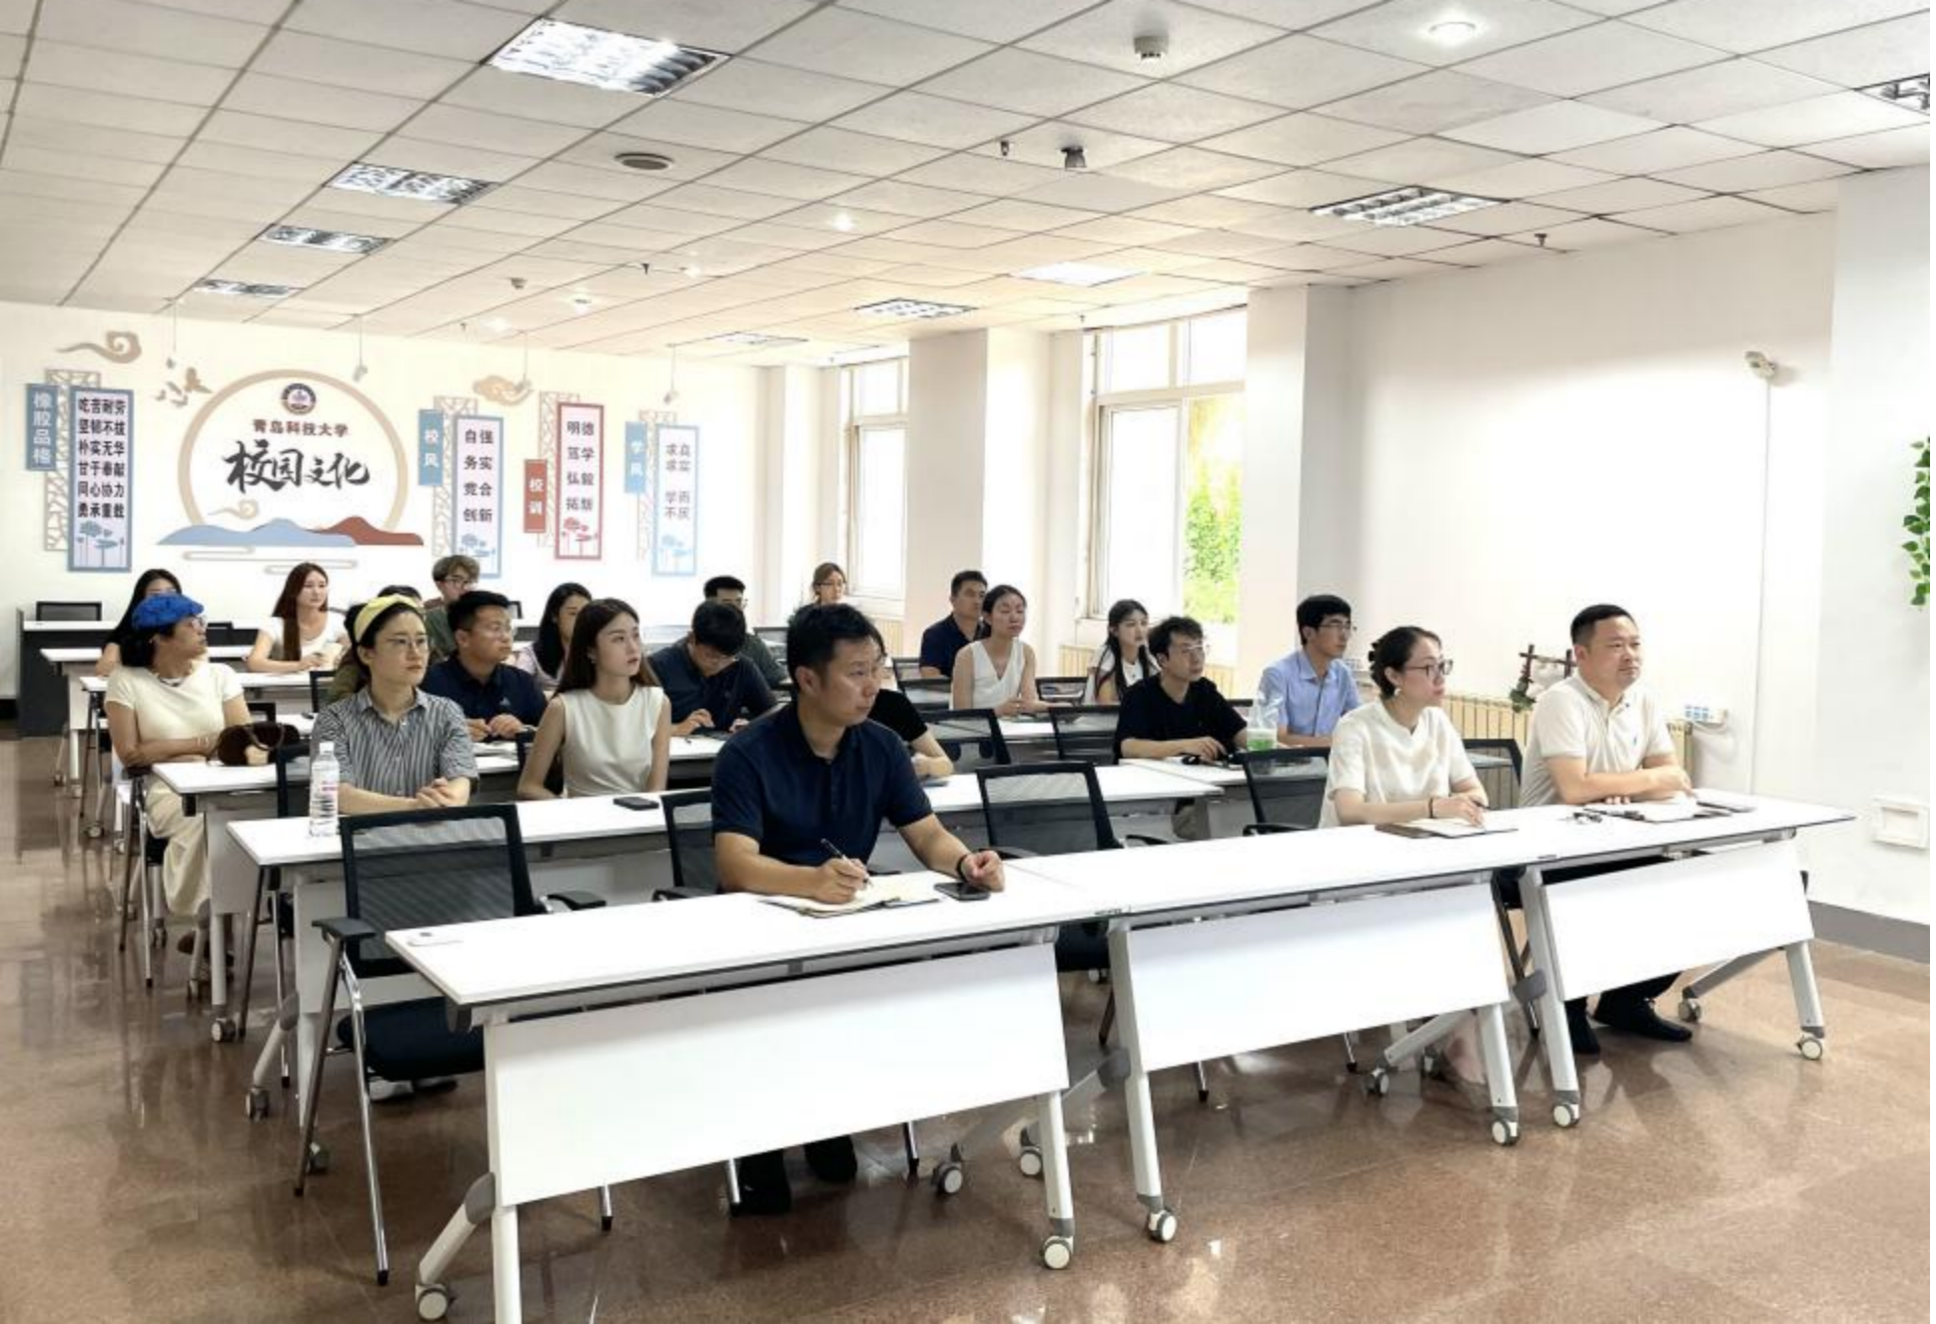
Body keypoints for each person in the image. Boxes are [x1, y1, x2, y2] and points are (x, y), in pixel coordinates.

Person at [711, 603, 1004, 1215]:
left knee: (855, 1010)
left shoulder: (882, 746)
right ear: (807, 679)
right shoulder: (749, 752)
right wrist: (808, 882)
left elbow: (926, 835)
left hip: (843, 920)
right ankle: (758, 1145)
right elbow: (735, 864)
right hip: (758, 927)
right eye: (856, 672)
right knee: (774, 1022)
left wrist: (966, 864)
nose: (873, 686)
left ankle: (825, 1118)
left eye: (877, 669)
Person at [1319, 625, 1492, 1103]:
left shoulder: (1438, 723)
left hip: (1422, 861)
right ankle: (1449, 1041)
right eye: (1427, 668)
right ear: (1394, 676)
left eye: (1443, 666)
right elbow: (1350, 810)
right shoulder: (1357, 726)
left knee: (1467, 919)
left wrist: (1452, 806)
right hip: (1357, 868)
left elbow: (1474, 791)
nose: (1440, 677)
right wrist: (1433, 807)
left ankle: (1452, 1038)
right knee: (1436, 924)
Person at [1519, 604, 1695, 1053]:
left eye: (1635, 644)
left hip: (1620, 836)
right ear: (1581, 654)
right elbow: (1574, 788)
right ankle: (1567, 1005)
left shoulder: (1644, 700)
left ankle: (1626, 1000)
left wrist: (1619, 786)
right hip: (1552, 847)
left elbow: (1674, 779)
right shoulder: (1560, 700)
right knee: (1589, 892)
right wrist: (1637, 783)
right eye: (1616, 646)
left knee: (1685, 890)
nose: (1630, 655)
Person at [104, 593, 250, 919]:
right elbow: (131, 755)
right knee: (204, 821)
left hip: (225, 781)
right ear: (160, 637)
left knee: (250, 816)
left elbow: (242, 740)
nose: (202, 628)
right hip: (166, 790)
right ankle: (206, 918)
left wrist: (162, 749)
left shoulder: (220, 675)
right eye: (190, 624)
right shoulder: (125, 680)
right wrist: (204, 744)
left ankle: (224, 919)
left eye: (201, 621)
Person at [312, 595, 476, 818]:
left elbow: (461, 781)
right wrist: (414, 807)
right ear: (366, 653)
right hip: (362, 836)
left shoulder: (447, 712)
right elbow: (337, 794)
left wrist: (447, 798)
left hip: (433, 834)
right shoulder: (334, 719)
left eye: (421, 641)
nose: (415, 652)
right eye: (400, 642)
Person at [518, 598, 671, 800]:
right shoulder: (563, 707)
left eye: (635, 635)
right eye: (619, 639)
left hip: (640, 813)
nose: (633, 648)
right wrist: (570, 812)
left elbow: (657, 789)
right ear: (590, 650)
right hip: (581, 815)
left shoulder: (657, 702)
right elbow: (528, 786)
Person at [1114, 615, 1245, 761]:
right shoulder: (1140, 694)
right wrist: (1184, 746)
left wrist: (1261, 743)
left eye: (1199, 648)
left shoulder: (1205, 690)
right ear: (1163, 659)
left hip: (1200, 773)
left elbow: (1239, 732)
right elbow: (1128, 747)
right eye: (1186, 650)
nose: (1197, 659)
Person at [420, 589, 547, 740]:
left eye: (508, 628)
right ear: (462, 638)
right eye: (495, 628)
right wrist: (447, 734)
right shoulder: (428, 684)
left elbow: (552, 735)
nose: (506, 637)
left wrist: (523, 730)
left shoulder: (522, 682)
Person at [649, 601, 778, 737]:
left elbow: (775, 717)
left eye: (727, 658)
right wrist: (676, 729)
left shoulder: (741, 667)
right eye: (711, 656)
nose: (719, 664)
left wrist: (753, 727)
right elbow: (636, 728)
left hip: (723, 749)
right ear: (692, 638)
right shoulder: (658, 666)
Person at [1257, 593, 1360, 748]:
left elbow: (1359, 726)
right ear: (1308, 633)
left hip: (1331, 759)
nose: (1344, 635)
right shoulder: (1277, 674)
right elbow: (1276, 738)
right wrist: (1337, 743)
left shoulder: (1343, 673)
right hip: (1288, 761)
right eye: (1335, 626)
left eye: (1347, 626)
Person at [950, 584, 1050, 716]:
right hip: (972, 727)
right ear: (987, 617)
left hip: (1009, 726)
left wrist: (1059, 708)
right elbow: (961, 713)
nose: (1014, 618)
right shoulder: (967, 655)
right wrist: (997, 711)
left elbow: (1029, 702)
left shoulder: (1026, 652)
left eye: (1020, 611)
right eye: (1005, 611)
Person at [246, 561, 349, 675]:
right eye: (308, 586)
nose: (316, 592)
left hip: (324, 685)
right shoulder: (274, 624)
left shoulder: (337, 621)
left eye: (322, 586)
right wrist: (298, 665)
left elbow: (351, 658)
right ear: (293, 590)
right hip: (286, 686)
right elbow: (254, 663)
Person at [866, 652, 954, 781]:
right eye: (858, 672)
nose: (869, 681)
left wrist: (926, 765)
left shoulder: (893, 703)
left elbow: (946, 765)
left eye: (875, 668)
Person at [326, 586, 422, 704]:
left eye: (421, 613)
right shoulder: (363, 652)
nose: (418, 619)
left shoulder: (427, 649)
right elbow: (337, 697)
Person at [96, 568, 182, 676]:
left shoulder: (189, 629)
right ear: (141, 600)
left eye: (171, 593)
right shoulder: (122, 638)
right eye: (155, 595)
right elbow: (103, 671)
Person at [704, 575, 784, 687]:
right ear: (709, 606)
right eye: (727, 603)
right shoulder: (695, 645)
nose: (736, 609)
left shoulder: (752, 644)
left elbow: (777, 676)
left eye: (739, 602)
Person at [512, 582, 590, 689]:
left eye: (585, 613)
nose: (581, 620)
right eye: (573, 614)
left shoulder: (597, 651)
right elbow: (517, 688)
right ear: (554, 616)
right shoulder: (532, 653)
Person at [917, 569, 987, 679]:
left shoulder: (991, 634)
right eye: (970, 594)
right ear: (953, 599)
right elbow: (930, 676)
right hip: (949, 690)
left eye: (982, 596)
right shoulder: (934, 635)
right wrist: (963, 687)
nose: (978, 601)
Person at [1085, 598, 1156, 705]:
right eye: (1131, 624)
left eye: (1144, 623)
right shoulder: (1105, 656)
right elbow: (1106, 705)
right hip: (1106, 715)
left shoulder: (1147, 654)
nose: (1140, 630)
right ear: (1114, 630)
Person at [423, 554, 479, 661]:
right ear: (439, 585)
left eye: (469, 581)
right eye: (456, 581)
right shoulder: (430, 619)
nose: (465, 587)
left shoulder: (482, 616)